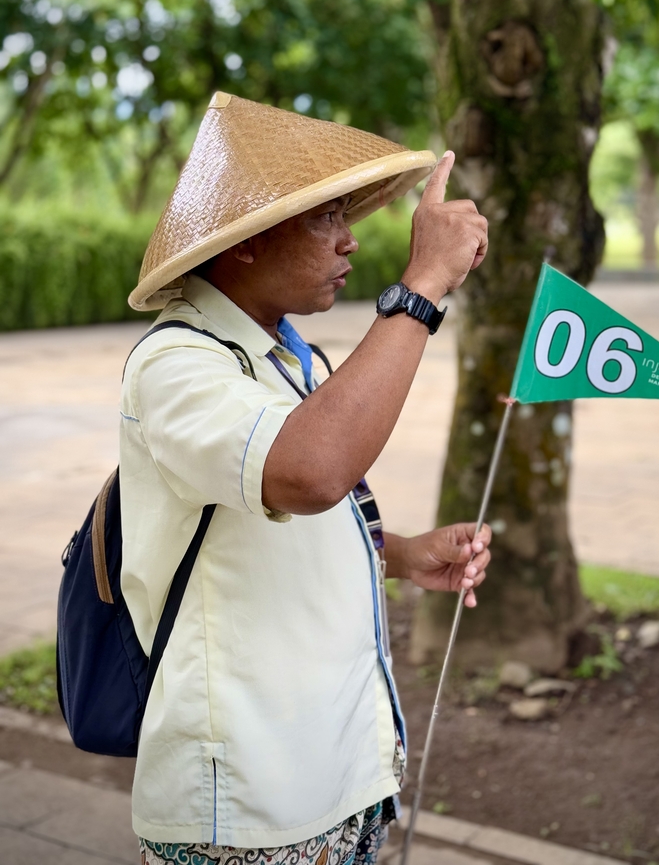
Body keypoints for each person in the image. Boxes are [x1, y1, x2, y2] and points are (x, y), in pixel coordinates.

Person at [120, 92, 492, 865]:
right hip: (251, 810)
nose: (351, 243)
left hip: (339, 782)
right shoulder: (177, 363)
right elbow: (312, 471)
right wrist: (420, 286)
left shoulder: (290, 356)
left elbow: (282, 514)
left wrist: (400, 551)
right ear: (247, 241)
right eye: (326, 218)